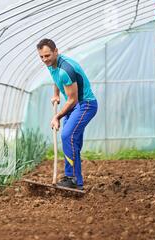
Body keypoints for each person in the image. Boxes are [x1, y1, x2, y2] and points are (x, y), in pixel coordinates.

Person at [37, 38, 98, 190]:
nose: (45, 60)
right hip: (75, 105)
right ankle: (77, 183)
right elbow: (56, 78)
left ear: (56, 52)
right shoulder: (52, 65)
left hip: (85, 105)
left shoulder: (66, 70)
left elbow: (72, 99)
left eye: (47, 56)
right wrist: (56, 94)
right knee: (72, 141)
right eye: (42, 57)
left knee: (67, 136)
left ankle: (71, 178)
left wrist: (57, 117)